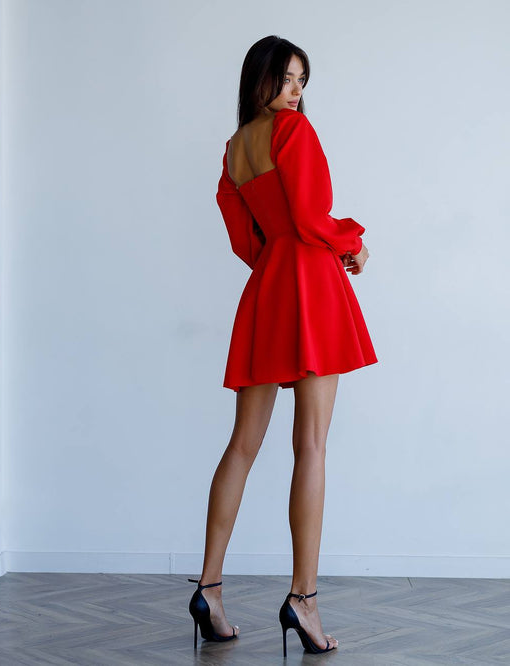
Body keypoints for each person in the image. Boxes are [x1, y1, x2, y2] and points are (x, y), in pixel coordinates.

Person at [188, 35, 378, 656]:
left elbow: (245, 239)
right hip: (311, 287)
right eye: (288, 78)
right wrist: (351, 243)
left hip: (268, 288)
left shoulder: (234, 150)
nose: (296, 92)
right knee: (311, 444)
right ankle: (303, 599)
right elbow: (310, 217)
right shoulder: (291, 131)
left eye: (302, 81)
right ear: (261, 79)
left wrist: (275, 266)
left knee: (241, 445)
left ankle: (209, 589)